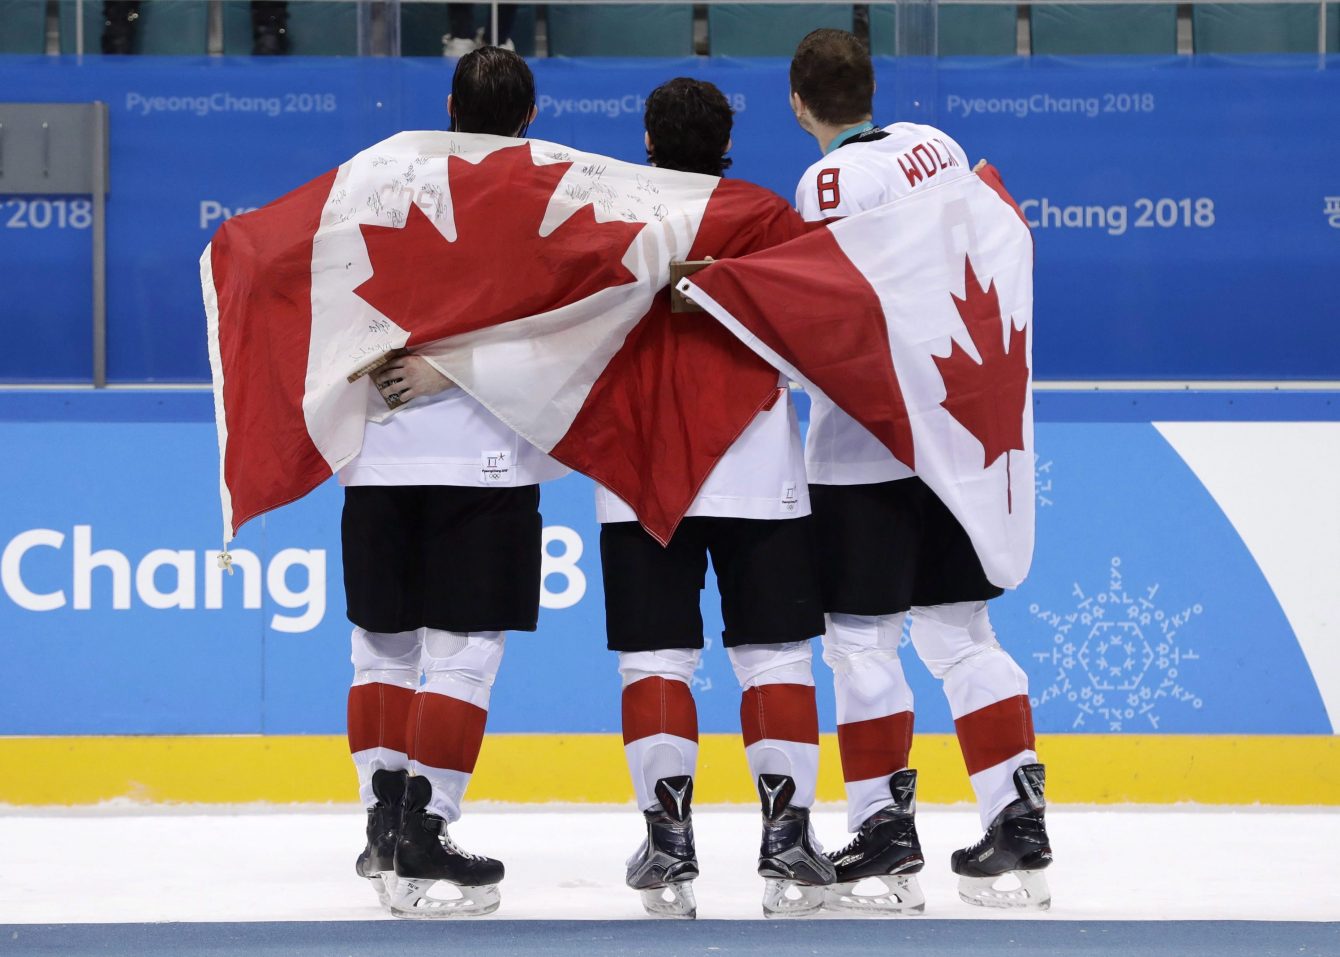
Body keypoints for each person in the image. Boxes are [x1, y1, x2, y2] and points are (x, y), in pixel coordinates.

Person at [787, 28, 1053, 912]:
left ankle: (883, 829)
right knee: (961, 634)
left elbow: (830, 306)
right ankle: (1017, 815)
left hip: (861, 449)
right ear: (872, 87)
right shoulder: (937, 147)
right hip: (953, 441)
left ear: (799, 105)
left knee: (862, 642)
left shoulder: (826, 181)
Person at [600, 77, 834, 919]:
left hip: (636, 466)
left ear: (650, 140)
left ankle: (669, 846)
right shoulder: (773, 218)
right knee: (774, 657)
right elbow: (825, 327)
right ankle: (787, 844)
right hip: (757, 465)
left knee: (656, 660)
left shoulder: (609, 213)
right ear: (727, 138)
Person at [344, 46, 566, 919]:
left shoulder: (375, 176)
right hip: (485, 457)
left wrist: (394, 362)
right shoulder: (546, 194)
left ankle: (383, 821)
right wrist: (456, 370)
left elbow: (325, 289)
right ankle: (426, 831)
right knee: (463, 653)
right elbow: (566, 318)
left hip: (381, 451)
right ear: (531, 117)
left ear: (446, 105)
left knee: (383, 646)